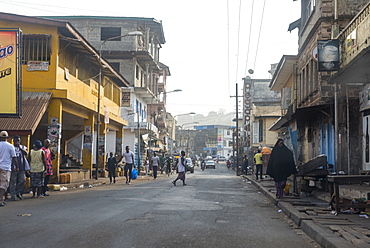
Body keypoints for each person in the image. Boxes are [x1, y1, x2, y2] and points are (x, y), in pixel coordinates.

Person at [0, 131, 18, 206]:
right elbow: (14, 158)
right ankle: (0, 199)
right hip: (5, 167)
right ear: (7, 138)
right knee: (4, 185)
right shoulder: (10, 146)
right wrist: (16, 167)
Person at [9, 135, 29, 201]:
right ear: (13, 141)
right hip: (13, 167)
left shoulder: (23, 147)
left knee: (22, 180)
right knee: (13, 182)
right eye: (16, 141)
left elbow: (26, 153)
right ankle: (13, 195)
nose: (17, 142)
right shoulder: (11, 147)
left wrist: (20, 148)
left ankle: (18, 193)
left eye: (18, 140)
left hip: (21, 167)